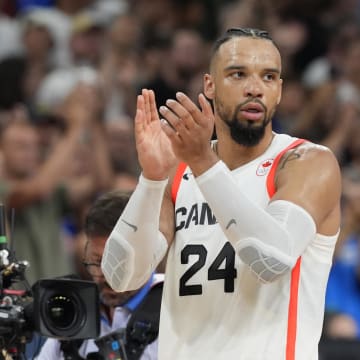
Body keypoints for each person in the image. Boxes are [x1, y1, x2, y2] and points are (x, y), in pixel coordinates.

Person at [101, 27, 341, 360]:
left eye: (269, 77)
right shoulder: (180, 169)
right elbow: (121, 275)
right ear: (210, 85)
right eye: (238, 74)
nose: (255, 88)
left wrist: (203, 162)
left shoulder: (305, 162)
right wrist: (152, 179)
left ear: (280, 90)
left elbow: (270, 260)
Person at [37, 190, 163, 359]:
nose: (107, 276)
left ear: (147, 254)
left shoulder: (172, 305)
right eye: (98, 262)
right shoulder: (75, 313)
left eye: (119, 264)